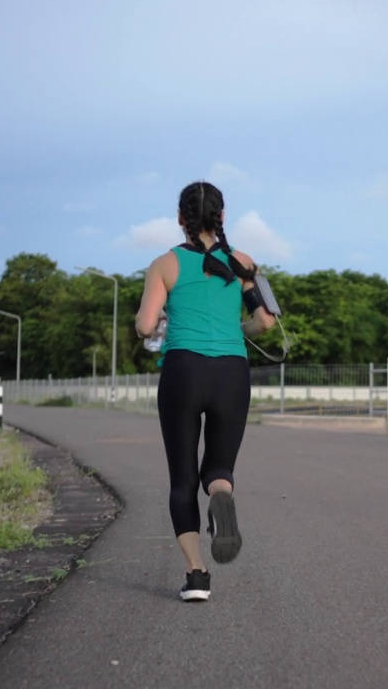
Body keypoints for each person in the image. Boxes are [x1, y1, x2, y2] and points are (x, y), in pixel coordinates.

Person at [135, 180, 276, 602]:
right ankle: (221, 497)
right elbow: (266, 322)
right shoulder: (243, 262)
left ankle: (196, 575)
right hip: (232, 372)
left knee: (181, 478)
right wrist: (236, 328)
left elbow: (145, 326)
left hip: (182, 370)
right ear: (222, 216)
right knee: (218, 470)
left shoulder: (165, 263)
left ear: (181, 218)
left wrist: (161, 319)